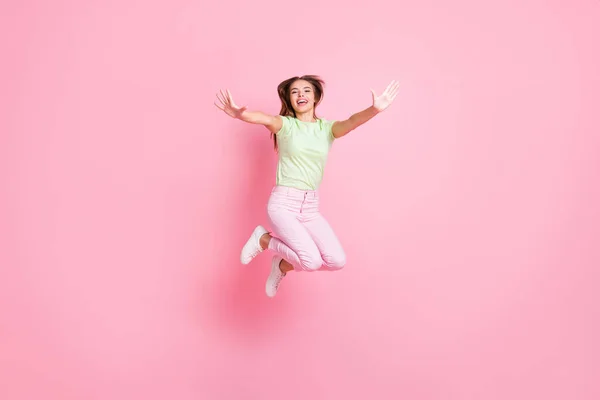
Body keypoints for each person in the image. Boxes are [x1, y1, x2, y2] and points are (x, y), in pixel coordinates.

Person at [214, 75, 399, 297]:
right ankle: (264, 240)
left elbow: (351, 122)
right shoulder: (285, 125)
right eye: (294, 92)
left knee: (337, 260)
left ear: (316, 97)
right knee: (310, 261)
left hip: (310, 207)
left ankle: (281, 266)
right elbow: (263, 118)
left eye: (306, 90)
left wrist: (374, 109)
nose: (301, 94)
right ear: (289, 100)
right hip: (284, 204)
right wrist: (240, 114)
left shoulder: (327, 129)